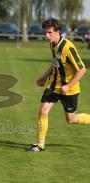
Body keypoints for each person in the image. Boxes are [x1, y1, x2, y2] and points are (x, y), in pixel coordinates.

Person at [28, 18, 90, 152]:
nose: (47, 36)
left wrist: (69, 85)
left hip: (69, 89)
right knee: (43, 111)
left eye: (50, 32)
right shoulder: (52, 44)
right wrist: (44, 77)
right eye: (45, 33)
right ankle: (40, 144)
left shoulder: (68, 47)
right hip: (54, 85)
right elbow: (56, 62)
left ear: (58, 32)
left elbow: (82, 69)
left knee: (71, 119)